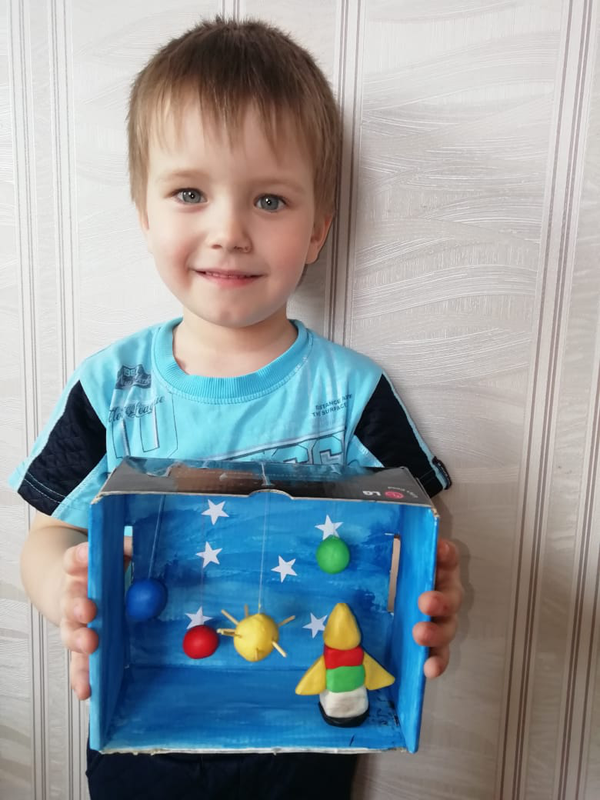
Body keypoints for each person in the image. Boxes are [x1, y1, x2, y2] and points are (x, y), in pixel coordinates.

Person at [11, 16, 463, 800]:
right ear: (144, 211)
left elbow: (418, 536)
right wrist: (67, 592)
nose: (228, 231)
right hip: (141, 733)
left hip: (307, 732)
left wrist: (431, 596)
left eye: (269, 199)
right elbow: (46, 537)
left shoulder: (352, 395)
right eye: (190, 193)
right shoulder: (110, 387)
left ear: (318, 230)